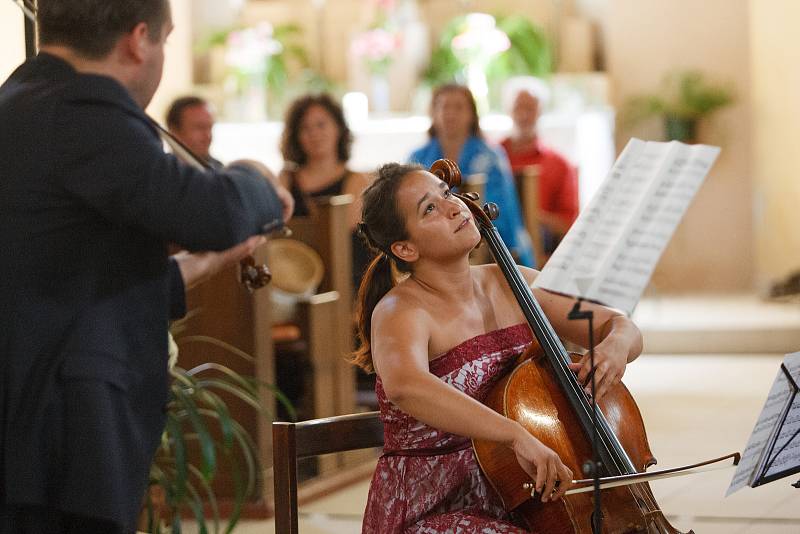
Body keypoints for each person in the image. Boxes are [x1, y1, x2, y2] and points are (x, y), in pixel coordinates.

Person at [0, 1, 293, 532]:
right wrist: (262, 183)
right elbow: (215, 209)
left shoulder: (22, 99)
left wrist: (225, 252)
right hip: (63, 441)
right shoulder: (81, 108)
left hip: (38, 436)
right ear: (139, 40)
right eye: (165, 40)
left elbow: (96, 285)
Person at [352, 163, 642, 532]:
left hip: (524, 495)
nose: (454, 207)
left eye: (446, 193)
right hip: (434, 508)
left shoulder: (517, 283)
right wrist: (513, 434)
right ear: (405, 248)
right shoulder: (399, 310)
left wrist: (615, 345)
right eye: (430, 209)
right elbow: (406, 386)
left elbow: (618, 323)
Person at [408, 84, 535, 267]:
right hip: (432, 245)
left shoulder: (491, 156)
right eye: (444, 106)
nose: (450, 114)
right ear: (433, 113)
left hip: (487, 246)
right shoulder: (417, 158)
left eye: (458, 107)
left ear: (472, 115)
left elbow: (499, 210)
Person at [279, 93, 372, 289]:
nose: (314, 134)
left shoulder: (356, 180)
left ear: (338, 129)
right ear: (296, 136)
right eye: (305, 128)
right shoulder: (286, 179)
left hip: (346, 280)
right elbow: (277, 232)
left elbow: (336, 234)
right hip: (296, 281)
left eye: (321, 125)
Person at [500, 84, 579, 257]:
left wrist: (532, 217)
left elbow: (570, 225)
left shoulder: (559, 164)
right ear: (509, 111)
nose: (524, 115)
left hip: (540, 254)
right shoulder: (491, 158)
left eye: (530, 108)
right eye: (519, 107)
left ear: (540, 112)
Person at [166, 95, 223, 169]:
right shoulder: (162, 172)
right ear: (174, 131)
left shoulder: (220, 171)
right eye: (199, 127)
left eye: (210, 127)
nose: (208, 136)